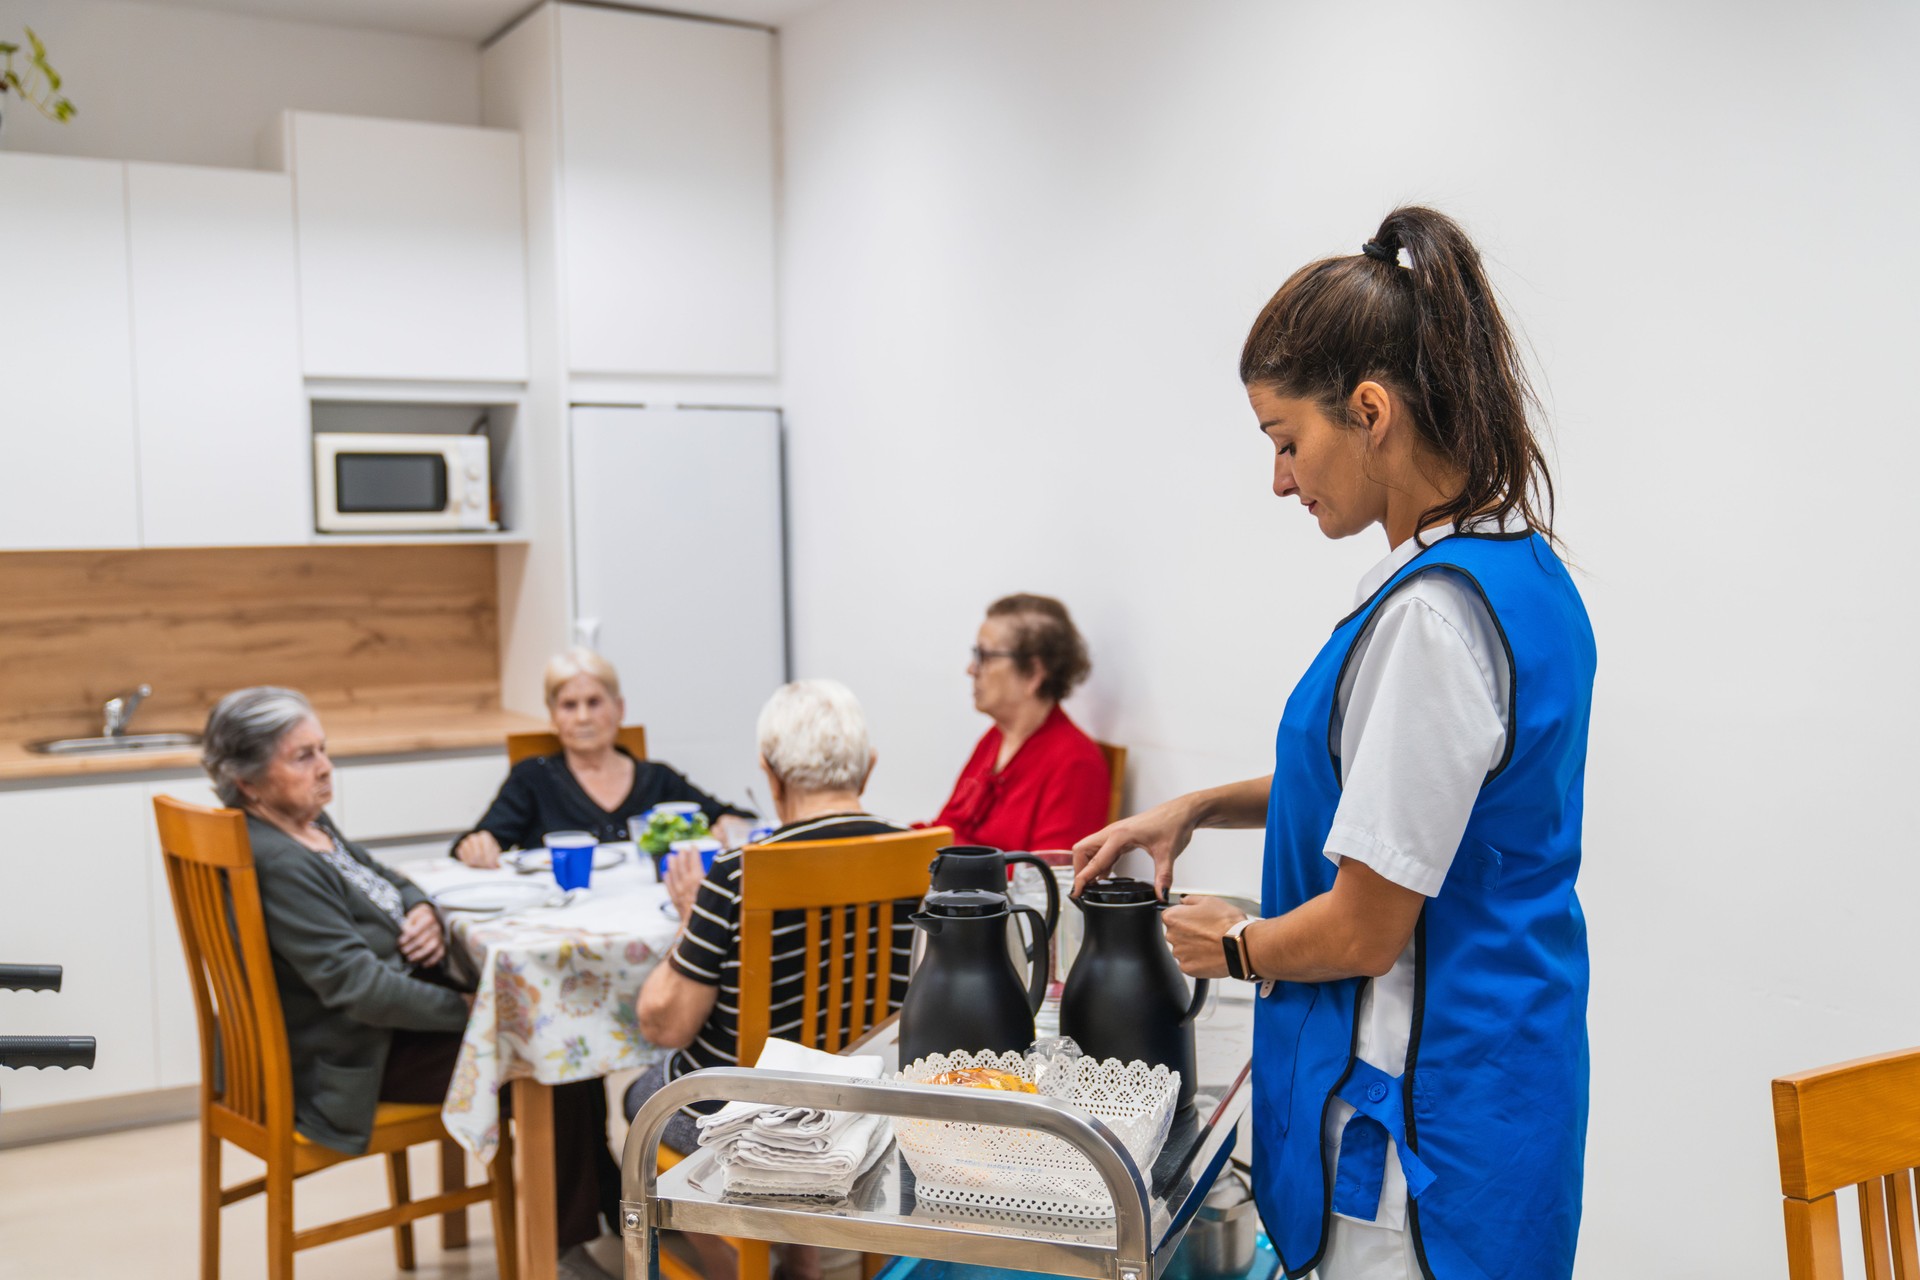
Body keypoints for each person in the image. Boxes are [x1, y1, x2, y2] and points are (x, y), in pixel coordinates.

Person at [1073, 209, 1595, 1280]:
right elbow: (1406, 790)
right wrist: (1198, 806)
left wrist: (1232, 945)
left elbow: (1365, 926)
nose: (1279, 479)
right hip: (1508, 1075)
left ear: (1370, 410)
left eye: (1285, 440)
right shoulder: (1523, 572)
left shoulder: (1431, 618)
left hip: (1420, 1129)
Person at [202, 686, 621, 1275]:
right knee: (554, 1053)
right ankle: (565, 1246)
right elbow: (363, 990)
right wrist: (474, 1010)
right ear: (247, 781)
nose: (325, 768)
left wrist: (419, 905)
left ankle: (591, 1213)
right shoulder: (278, 860)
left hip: (366, 1033)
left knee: (560, 1041)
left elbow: (386, 879)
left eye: (323, 749)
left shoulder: (304, 824)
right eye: (303, 757)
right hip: (348, 1057)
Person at [626, 679, 907, 1280]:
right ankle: (799, 1264)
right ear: (868, 768)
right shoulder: (920, 855)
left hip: (744, 1120)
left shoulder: (736, 873)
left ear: (771, 775)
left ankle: (731, 1267)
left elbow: (666, 1024)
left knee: (635, 1093)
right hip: (859, 1105)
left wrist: (687, 921)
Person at [453, 647, 754, 866]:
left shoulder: (658, 779)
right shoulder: (532, 779)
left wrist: (729, 827)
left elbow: (738, 819)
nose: (583, 717)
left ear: (619, 709)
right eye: (569, 705)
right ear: (553, 717)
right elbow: (472, 843)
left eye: (594, 702)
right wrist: (477, 847)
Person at [931, 594, 1110, 851]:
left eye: (985, 656)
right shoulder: (994, 738)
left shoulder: (1076, 763)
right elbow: (945, 831)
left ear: (1034, 673)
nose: (971, 669)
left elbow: (1049, 877)